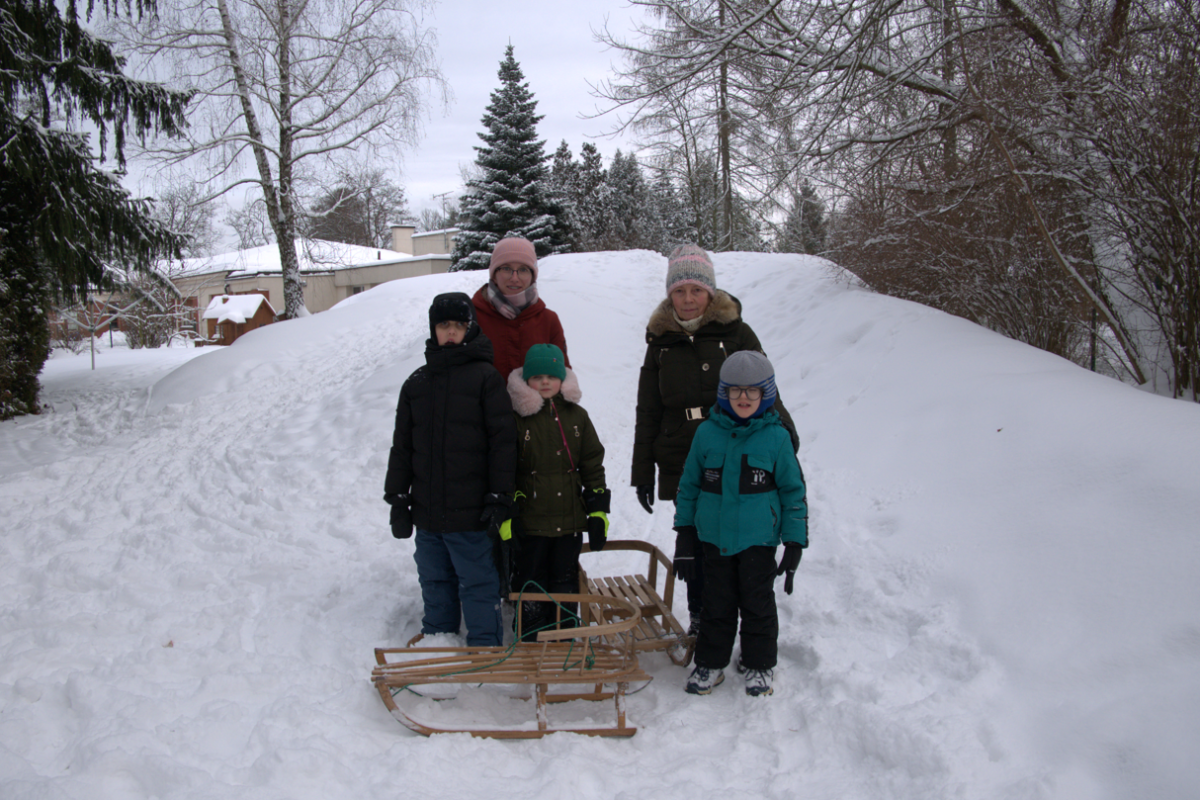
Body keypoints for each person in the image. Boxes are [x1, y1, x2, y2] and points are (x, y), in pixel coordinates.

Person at [630, 244, 798, 636]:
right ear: (669, 294)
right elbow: (648, 409)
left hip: (736, 448)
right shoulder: (660, 341)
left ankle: (748, 612)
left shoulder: (736, 331)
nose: (688, 299)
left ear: (710, 291)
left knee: (739, 537)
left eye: (697, 290)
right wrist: (642, 472)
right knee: (697, 538)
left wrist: (785, 435)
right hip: (682, 454)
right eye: (679, 290)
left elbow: (765, 387)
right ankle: (702, 617)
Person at [383, 292, 517, 647]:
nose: (452, 332)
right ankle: (438, 639)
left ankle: (485, 646)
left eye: (459, 324)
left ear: (470, 328)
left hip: (470, 513)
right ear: (434, 329)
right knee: (434, 578)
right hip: (427, 511)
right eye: (444, 325)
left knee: (477, 581)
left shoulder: (486, 379)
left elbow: (503, 444)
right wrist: (398, 499)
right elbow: (402, 447)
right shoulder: (416, 384)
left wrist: (499, 496)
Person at [673, 351, 808, 697]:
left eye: (752, 391)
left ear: (766, 393)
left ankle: (758, 664)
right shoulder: (706, 433)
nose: (743, 397)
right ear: (724, 392)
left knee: (757, 604)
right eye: (735, 390)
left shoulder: (777, 437)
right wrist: (685, 535)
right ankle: (710, 663)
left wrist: (794, 543)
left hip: (758, 540)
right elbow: (689, 486)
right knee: (715, 603)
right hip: (714, 538)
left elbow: (793, 491)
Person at [504, 343, 609, 641]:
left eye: (551, 376)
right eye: (537, 377)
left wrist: (598, 511)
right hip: (530, 521)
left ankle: (563, 633)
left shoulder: (577, 416)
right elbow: (504, 467)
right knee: (530, 579)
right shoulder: (516, 418)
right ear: (526, 380)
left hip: (569, 519)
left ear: (562, 379)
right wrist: (508, 510)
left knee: (564, 578)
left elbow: (592, 463)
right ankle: (531, 634)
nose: (545, 382)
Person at [472, 237, 570, 381]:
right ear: (494, 275)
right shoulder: (472, 318)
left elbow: (562, 377)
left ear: (532, 276)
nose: (514, 278)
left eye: (523, 270)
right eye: (506, 268)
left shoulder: (549, 321)